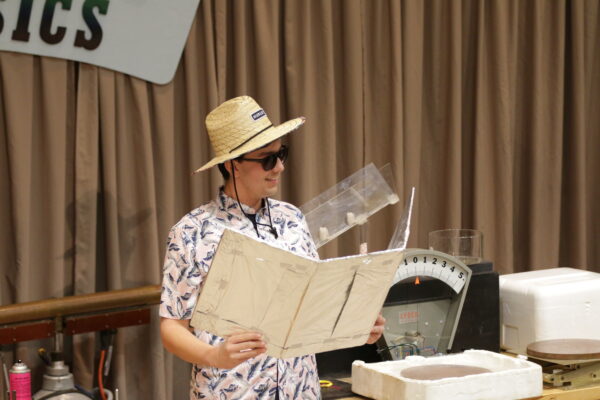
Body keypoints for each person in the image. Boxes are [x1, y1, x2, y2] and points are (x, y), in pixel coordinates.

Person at [159, 95, 385, 399]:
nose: (278, 167)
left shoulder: (292, 218)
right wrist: (215, 356)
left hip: (300, 389)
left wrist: (356, 324)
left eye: (282, 155)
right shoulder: (191, 231)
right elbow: (171, 327)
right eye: (267, 159)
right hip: (230, 391)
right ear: (232, 164)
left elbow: (311, 304)